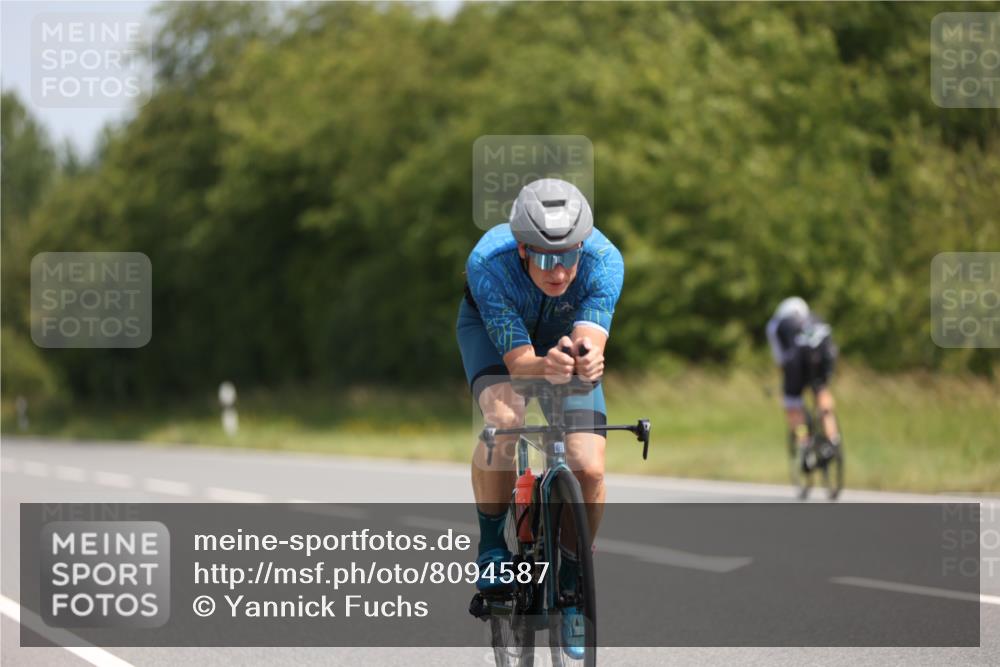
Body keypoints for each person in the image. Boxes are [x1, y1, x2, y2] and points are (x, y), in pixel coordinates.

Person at [457, 178, 623, 658]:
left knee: (588, 464)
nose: (560, 270)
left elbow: (590, 339)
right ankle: (492, 548)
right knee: (505, 417)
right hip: (496, 336)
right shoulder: (489, 264)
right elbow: (520, 366)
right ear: (523, 249)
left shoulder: (605, 261)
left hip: (563, 334)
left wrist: (587, 360)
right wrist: (542, 367)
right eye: (547, 258)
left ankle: (572, 578)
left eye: (570, 255)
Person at [765, 297, 840, 471]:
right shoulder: (816, 319)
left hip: (796, 362)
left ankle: (804, 445)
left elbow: (780, 358)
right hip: (824, 358)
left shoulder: (776, 324)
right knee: (821, 392)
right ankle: (832, 440)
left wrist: (787, 382)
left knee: (793, 405)